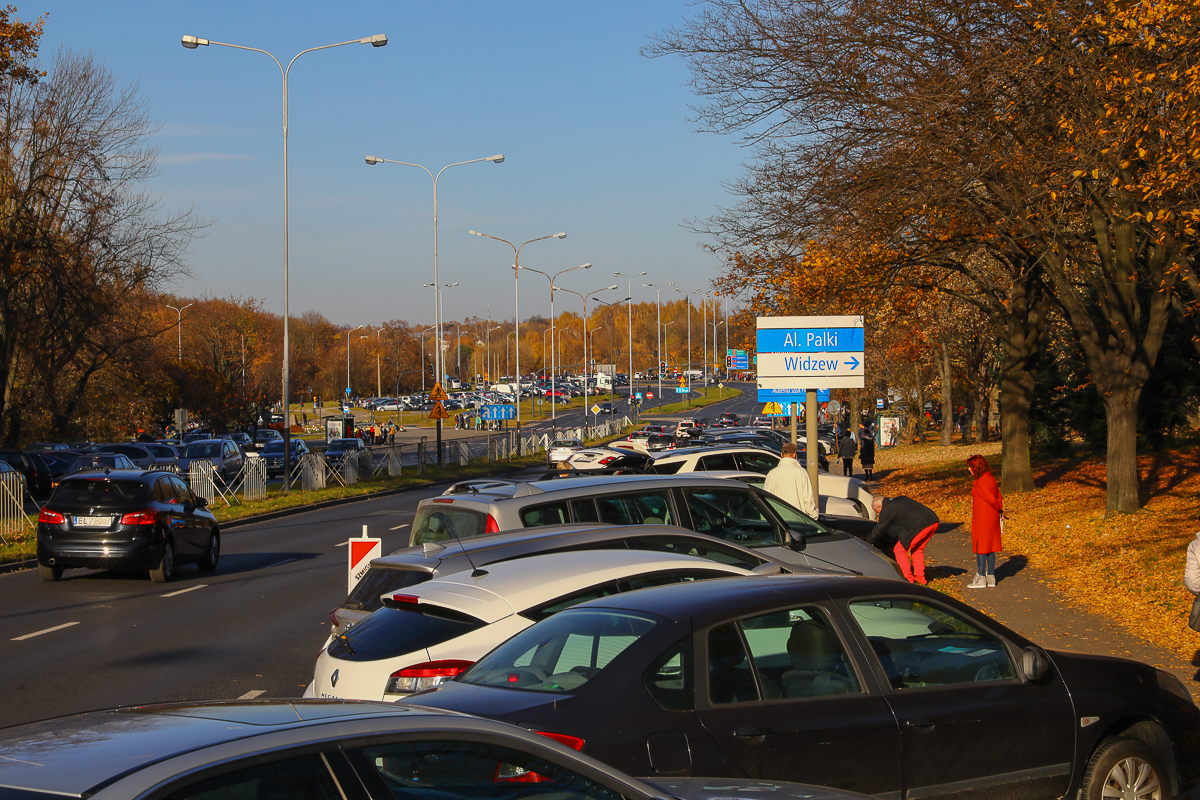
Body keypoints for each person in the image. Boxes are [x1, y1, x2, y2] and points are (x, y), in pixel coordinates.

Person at [866, 496, 940, 585]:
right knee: (917, 550)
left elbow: (880, 528)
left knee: (899, 550)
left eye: (878, 512)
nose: (879, 514)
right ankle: (921, 579)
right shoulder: (899, 500)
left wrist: (868, 542)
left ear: (880, 507)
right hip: (933, 521)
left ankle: (907, 579)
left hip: (920, 525)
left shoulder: (887, 509)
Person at [967, 454, 1003, 588]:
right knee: (990, 547)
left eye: (970, 467)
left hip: (983, 518)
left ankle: (981, 577)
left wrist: (998, 507)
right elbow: (998, 496)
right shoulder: (991, 479)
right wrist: (999, 508)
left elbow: (992, 499)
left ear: (976, 467)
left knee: (980, 546)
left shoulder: (982, 481)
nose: (969, 470)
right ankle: (991, 576)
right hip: (990, 517)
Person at [763, 442, 819, 518]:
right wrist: (813, 516)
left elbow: (767, 497)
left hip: (778, 518)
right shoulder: (801, 472)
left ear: (782, 455)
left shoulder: (772, 473)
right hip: (798, 518)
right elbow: (808, 499)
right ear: (794, 455)